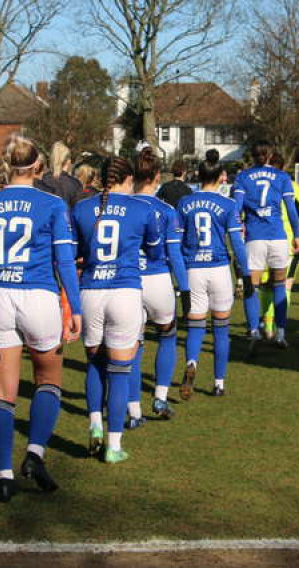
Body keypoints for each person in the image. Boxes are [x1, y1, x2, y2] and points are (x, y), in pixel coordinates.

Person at [0, 135, 82, 501]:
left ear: (8, 165)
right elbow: (64, 261)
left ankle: (4, 473)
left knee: (2, 393)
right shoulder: (51, 203)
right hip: (38, 295)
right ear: (38, 166)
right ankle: (35, 452)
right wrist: (76, 308)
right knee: (48, 380)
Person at [71, 156, 161, 464]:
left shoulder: (82, 208)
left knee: (94, 364)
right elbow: (155, 250)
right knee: (120, 372)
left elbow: (76, 253)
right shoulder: (142, 208)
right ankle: (113, 445)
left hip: (91, 292)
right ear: (129, 178)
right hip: (124, 291)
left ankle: (95, 425)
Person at [177, 160, 250, 399]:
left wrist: (177, 276)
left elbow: (177, 243)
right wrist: (245, 274)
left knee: (196, 325)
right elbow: (237, 243)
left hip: (193, 269)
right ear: (220, 177)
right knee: (221, 328)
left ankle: (192, 363)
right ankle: (218, 383)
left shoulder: (185, 203)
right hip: (218, 269)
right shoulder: (228, 204)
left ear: (199, 176)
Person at [129, 147, 189, 421]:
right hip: (157, 280)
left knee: (131, 344)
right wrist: (185, 288)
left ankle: (132, 410)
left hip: (127, 282)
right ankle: (160, 399)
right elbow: (175, 254)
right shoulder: (166, 210)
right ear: (156, 176)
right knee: (168, 336)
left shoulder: (120, 206)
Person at [233, 142, 299, 353]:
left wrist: (237, 232)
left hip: (255, 238)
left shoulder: (242, 177)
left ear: (252, 157)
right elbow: (291, 209)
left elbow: (236, 210)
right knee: (280, 285)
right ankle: (280, 334)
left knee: (251, 288)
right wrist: (297, 235)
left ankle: (254, 331)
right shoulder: (282, 177)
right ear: (270, 155)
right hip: (278, 238)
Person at [260, 154, 299, 339]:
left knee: (266, 286)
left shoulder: (256, 185)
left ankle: (267, 327)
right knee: (285, 285)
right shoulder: (292, 186)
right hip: (288, 243)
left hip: (261, 241)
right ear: (283, 167)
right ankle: (279, 330)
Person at [39, 141, 83, 209]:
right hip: (67, 218)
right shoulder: (75, 184)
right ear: (68, 161)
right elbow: (78, 211)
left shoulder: (42, 180)